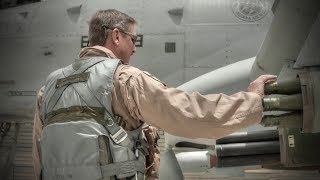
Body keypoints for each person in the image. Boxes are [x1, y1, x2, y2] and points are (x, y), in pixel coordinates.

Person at [32, 9, 277, 180]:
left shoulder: (48, 88)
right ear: (116, 36)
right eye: (133, 39)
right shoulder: (126, 79)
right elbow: (189, 113)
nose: (134, 49)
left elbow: (39, 158)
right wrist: (251, 101)